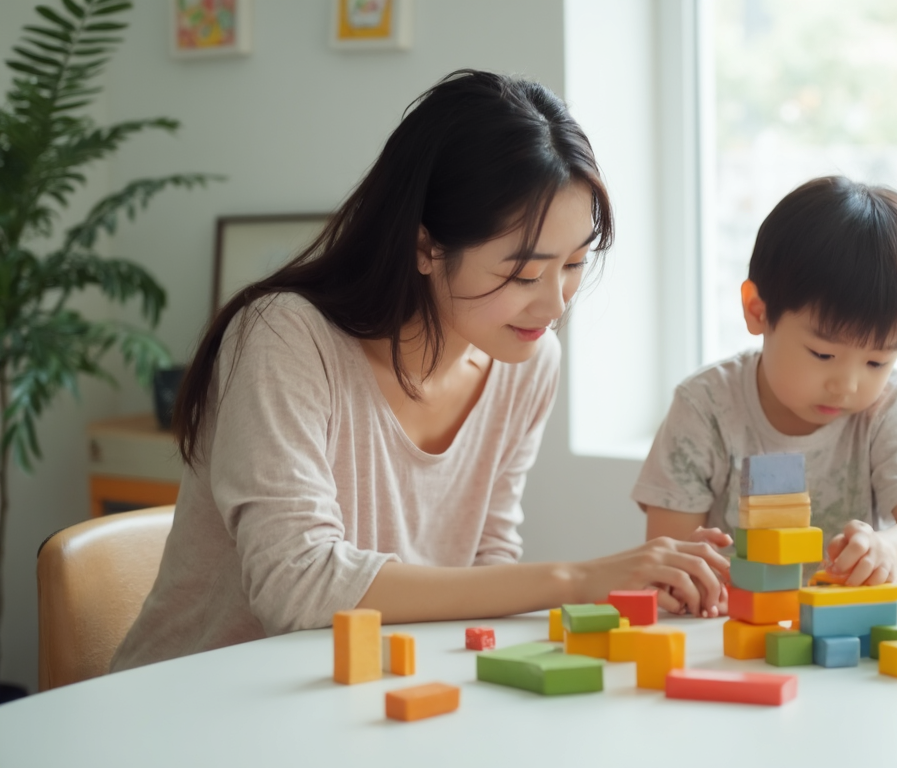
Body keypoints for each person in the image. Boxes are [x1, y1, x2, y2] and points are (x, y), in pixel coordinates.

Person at [111, 70, 728, 672]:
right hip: (193, 700)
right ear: (426, 247)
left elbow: (488, 564)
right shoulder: (284, 337)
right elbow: (296, 586)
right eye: (523, 274)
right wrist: (577, 579)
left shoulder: (528, 359)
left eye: (573, 265)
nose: (554, 306)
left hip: (362, 697)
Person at [633, 175, 897, 592]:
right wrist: (692, 572)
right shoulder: (705, 406)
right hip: (741, 623)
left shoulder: (890, 406)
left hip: (860, 623)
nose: (846, 385)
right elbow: (668, 556)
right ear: (757, 311)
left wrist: (888, 549)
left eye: (877, 361)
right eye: (823, 355)